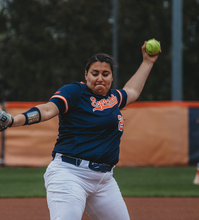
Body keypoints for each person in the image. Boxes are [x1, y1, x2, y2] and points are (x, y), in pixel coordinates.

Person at [9, 41, 160, 220]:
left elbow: (132, 90)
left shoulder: (114, 98)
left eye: (105, 74)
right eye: (94, 73)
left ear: (112, 77)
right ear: (86, 75)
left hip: (104, 180)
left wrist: (147, 62)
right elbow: (48, 110)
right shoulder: (75, 92)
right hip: (69, 174)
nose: (100, 78)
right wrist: (15, 120)